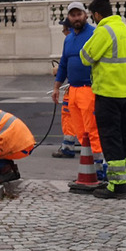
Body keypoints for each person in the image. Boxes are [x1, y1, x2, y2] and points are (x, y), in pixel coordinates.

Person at [81, 0, 126, 199]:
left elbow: (86, 56)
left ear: (97, 15)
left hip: (107, 94)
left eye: (92, 17)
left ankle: (117, 186)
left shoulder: (104, 31)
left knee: (111, 138)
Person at [52, 2, 106, 184]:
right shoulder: (68, 39)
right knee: (81, 131)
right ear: (69, 18)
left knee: (92, 130)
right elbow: (64, 65)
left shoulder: (94, 34)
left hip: (90, 89)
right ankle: (88, 165)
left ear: (85, 15)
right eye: (72, 15)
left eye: (79, 14)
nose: (76, 18)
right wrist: (56, 87)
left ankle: (100, 166)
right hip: (73, 90)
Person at [52, 17, 78, 159]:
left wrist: (58, 74)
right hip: (83, 87)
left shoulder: (72, 41)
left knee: (68, 115)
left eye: (64, 30)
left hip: (77, 88)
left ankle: (68, 146)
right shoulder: (80, 39)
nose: (63, 32)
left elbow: (68, 64)